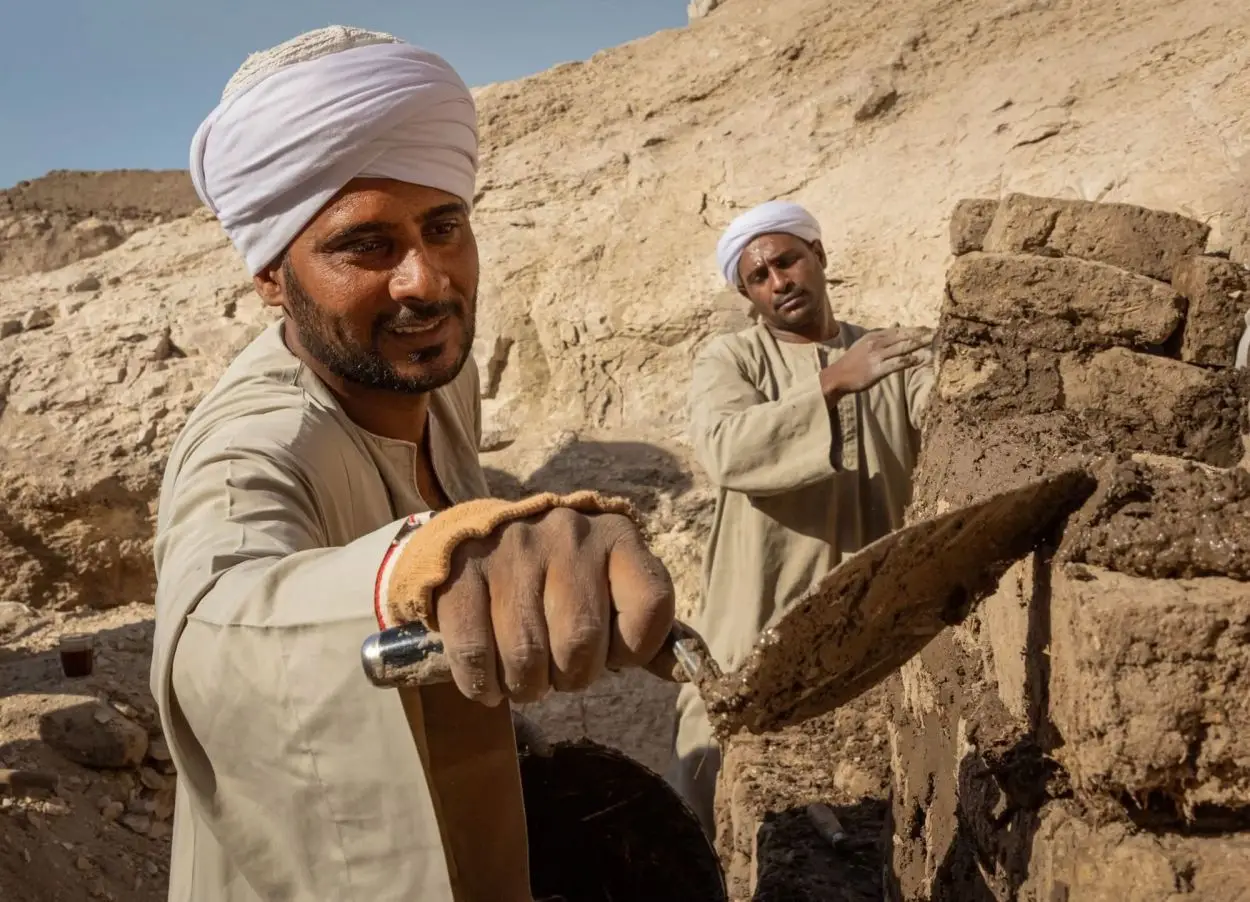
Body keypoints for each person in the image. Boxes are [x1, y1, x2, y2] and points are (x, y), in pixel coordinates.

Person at [149, 26, 676, 902]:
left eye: (444, 227)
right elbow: (216, 626)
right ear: (273, 278)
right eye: (367, 245)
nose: (425, 281)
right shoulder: (253, 447)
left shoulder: (429, 372)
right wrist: (424, 566)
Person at [670, 200, 935, 832]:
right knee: (709, 776)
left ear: (819, 257)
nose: (779, 281)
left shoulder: (886, 353)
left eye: (787, 260)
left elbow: (951, 411)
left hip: (873, 626)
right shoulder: (732, 360)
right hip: (757, 622)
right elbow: (726, 448)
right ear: (748, 293)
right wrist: (835, 381)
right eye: (758, 276)